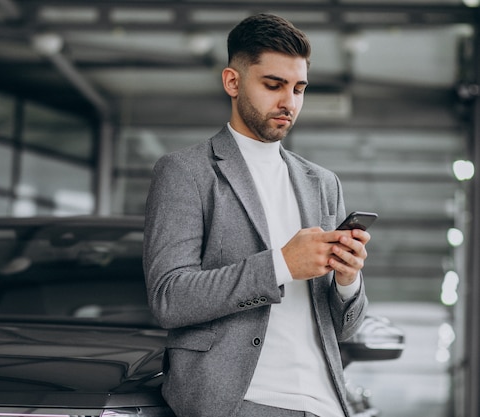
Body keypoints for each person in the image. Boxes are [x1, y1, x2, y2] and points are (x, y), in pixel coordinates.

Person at [142, 13, 370, 417]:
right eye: (273, 85)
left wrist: (347, 281)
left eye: (299, 89)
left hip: (327, 403)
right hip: (240, 402)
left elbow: (344, 328)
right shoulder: (186, 172)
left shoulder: (322, 183)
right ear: (233, 81)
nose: (289, 102)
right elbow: (169, 298)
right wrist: (281, 264)